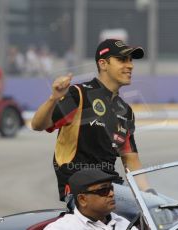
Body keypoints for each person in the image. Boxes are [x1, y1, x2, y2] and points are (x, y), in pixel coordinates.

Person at [32, 39, 151, 203]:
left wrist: (150, 195)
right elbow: (38, 125)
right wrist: (53, 98)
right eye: (122, 60)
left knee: (160, 211)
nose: (130, 65)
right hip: (81, 190)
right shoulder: (79, 94)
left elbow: (130, 159)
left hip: (111, 189)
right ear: (103, 64)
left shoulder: (126, 111)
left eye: (131, 60)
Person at [44, 169, 138, 230]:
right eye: (103, 190)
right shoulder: (61, 228)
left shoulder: (123, 223)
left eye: (111, 188)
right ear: (82, 199)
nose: (111, 194)